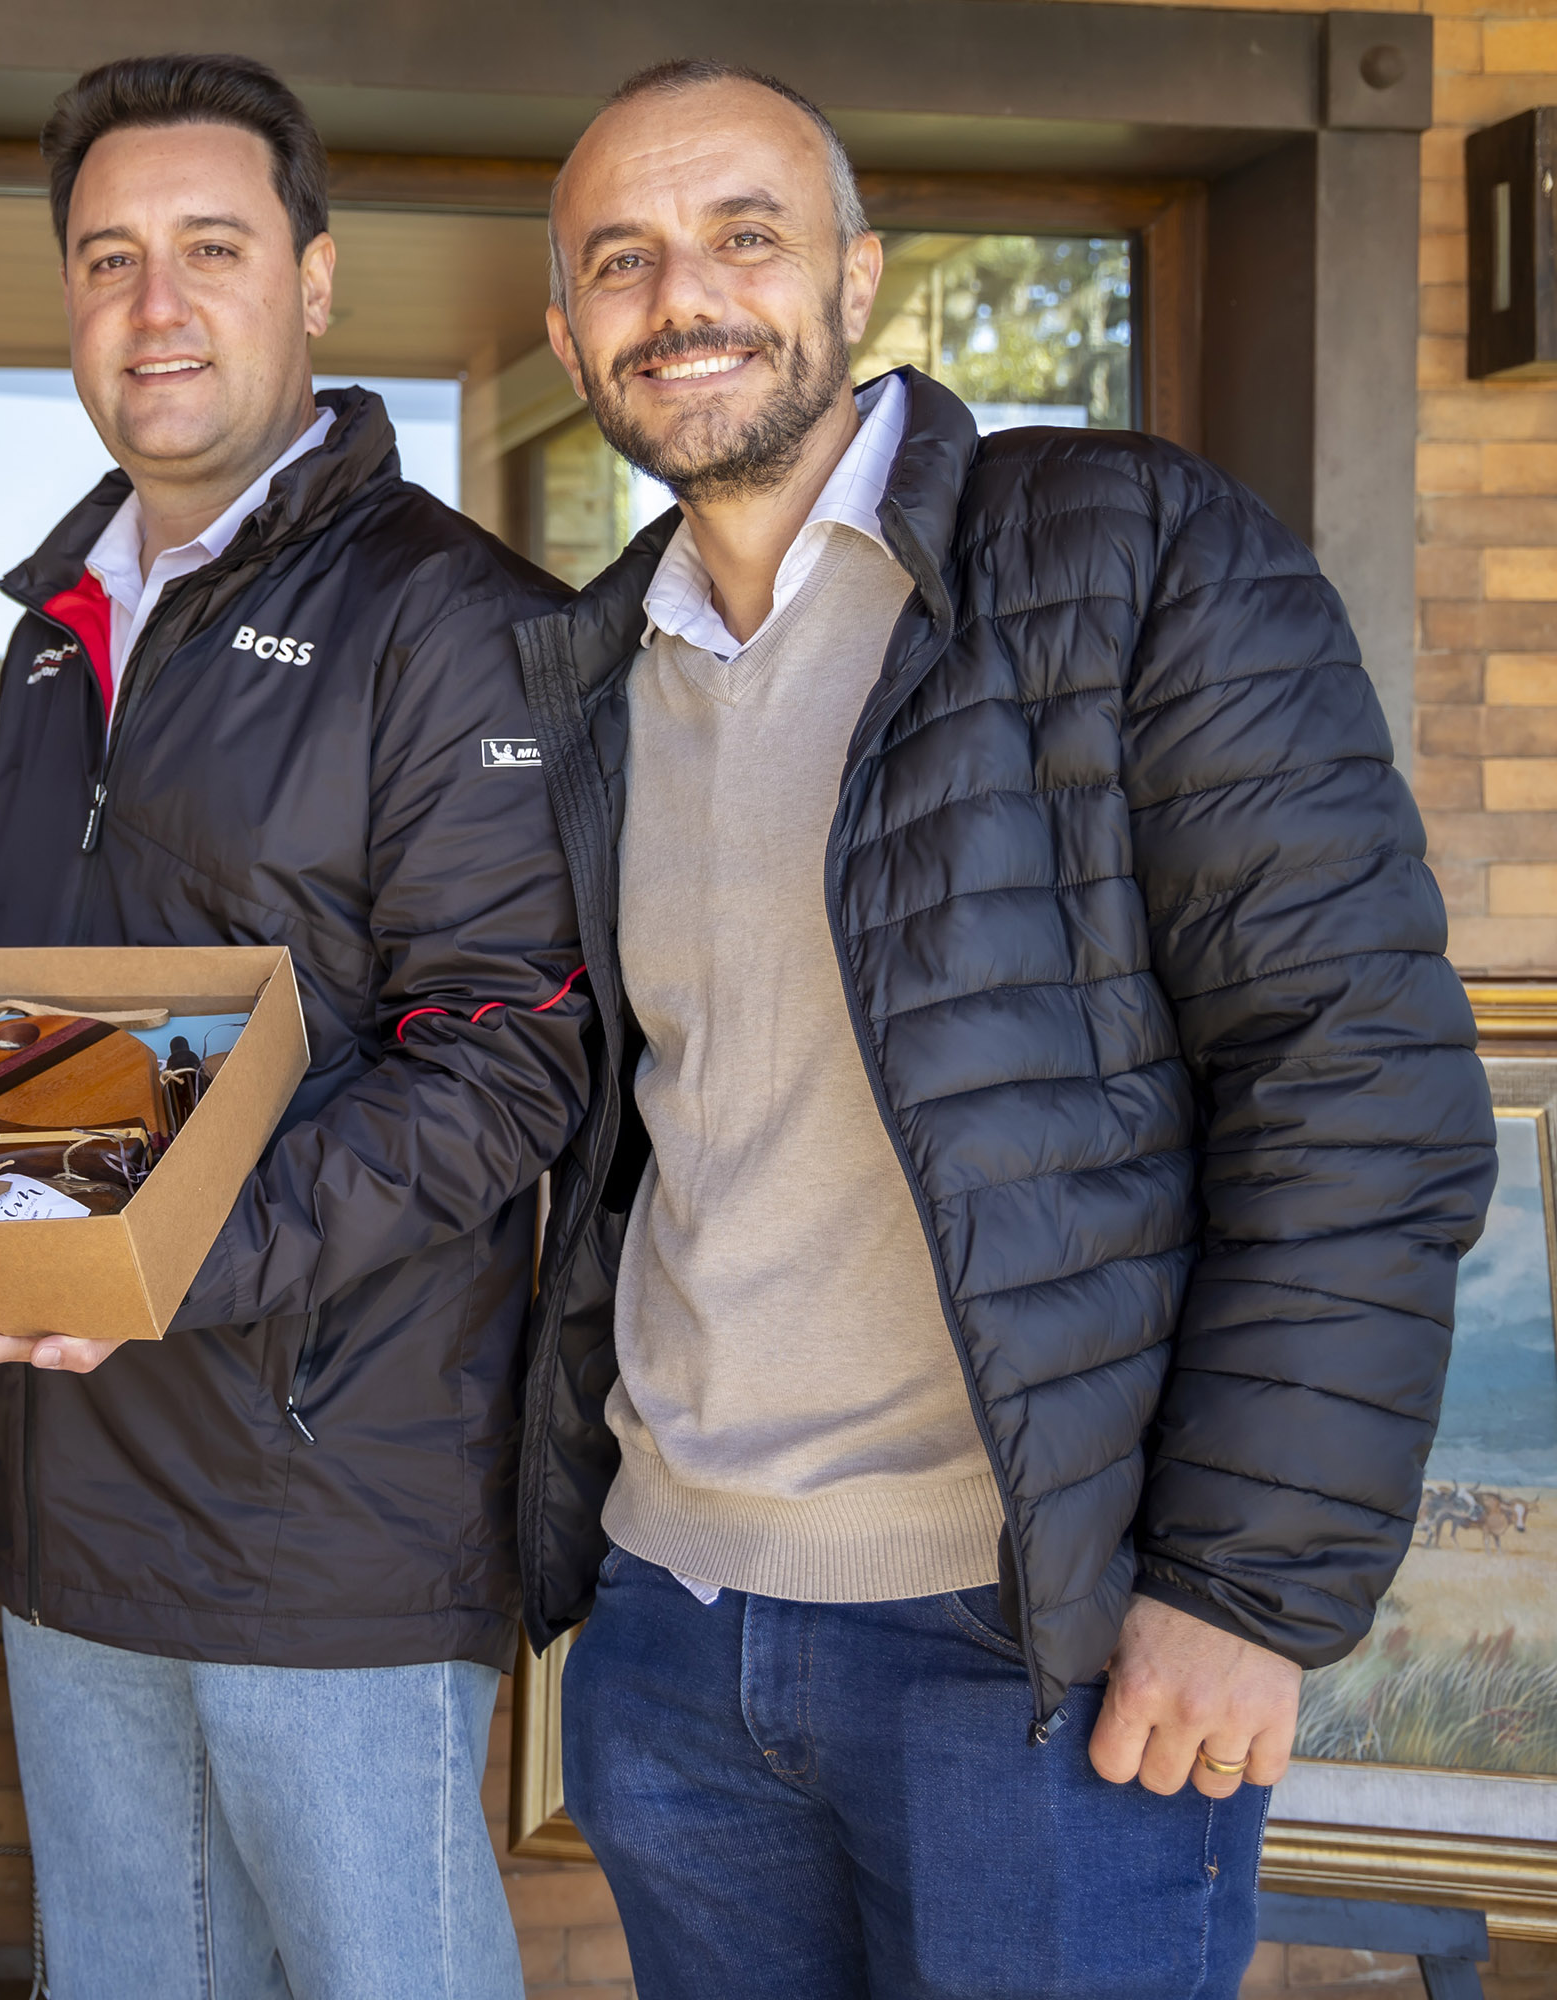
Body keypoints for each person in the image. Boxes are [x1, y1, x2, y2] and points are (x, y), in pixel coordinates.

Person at [513, 61, 1496, 1998]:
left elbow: (1353, 1076)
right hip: (677, 1640)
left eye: (743, 235)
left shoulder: (1133, 560)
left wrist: (1240, 1590)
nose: (680, 295)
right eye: (620, 259)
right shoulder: (589, 676)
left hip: (1034, 1653)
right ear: (568, 332)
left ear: (858, 276)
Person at [0, 53, 586, 2000]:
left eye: (209, 247)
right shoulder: (51, 637)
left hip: (330, 1517)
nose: (155, 305)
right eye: (108, 258)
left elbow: (501, 1062)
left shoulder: (449, 621)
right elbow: (57, 1033)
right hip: (73, 1496)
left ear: (317, 278)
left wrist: (147, 1259)